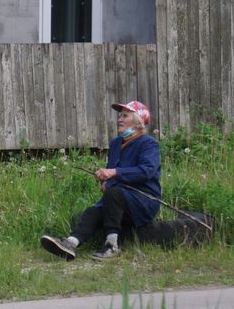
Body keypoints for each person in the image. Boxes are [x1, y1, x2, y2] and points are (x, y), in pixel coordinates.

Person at [41, 100, 161, 261]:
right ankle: (70, 244)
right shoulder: (116, 144)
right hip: (119, 201)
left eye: (125, 116)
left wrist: (113, 173)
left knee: (113, 194)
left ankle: (112, 246)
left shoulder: (148, 144)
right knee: (93, 211)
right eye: (119, 115)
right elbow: (114, 178)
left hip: (144, 201)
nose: (119, 119)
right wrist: (106, 182)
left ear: (138, 121)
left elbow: (146, 171)